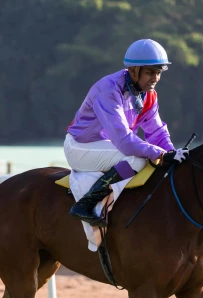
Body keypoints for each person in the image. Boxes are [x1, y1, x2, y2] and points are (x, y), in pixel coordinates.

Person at [64, 39, 190, 227]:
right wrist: (160, 154)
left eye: (158, 73)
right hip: (80, 147)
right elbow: (124, 141)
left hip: (107, 147)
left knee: (151, 158)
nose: (155, 78)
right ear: (133, 71)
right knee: (136, 159)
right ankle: (85, 204)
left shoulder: (148, 94)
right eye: (150, 72)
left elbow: (156, 132)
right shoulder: (108, 89)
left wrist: (173, 153)